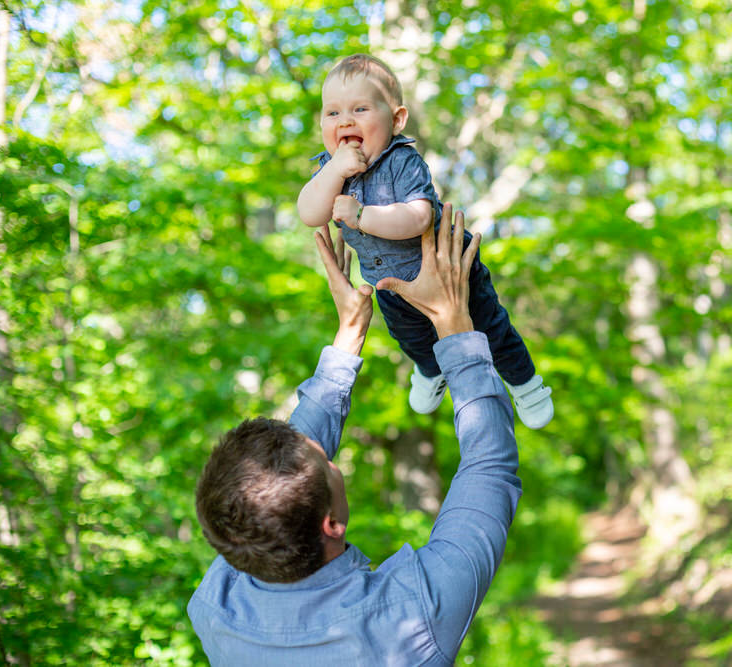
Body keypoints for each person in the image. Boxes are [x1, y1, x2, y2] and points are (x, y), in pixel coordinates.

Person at [188, 205, 523, 665]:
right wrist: (453, 323)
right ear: (331, 524)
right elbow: (490, 466)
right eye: (327, 464)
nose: (328, 456)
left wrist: (348, 336)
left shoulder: (217, 603)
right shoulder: (411, 618)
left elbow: (278, 481)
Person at [296, 53, 553, 429]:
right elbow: (309, 213)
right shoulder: (330, 170)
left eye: (361, 109)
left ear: (396, 119)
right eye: (332, 113)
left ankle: (526, 384)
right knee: (411, 337)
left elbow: (420, 216)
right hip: (392, 287)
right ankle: (431, 371)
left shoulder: (402, 161)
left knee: (490, 330)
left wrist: (362, 217)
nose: (345, 120)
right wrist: (335, 169)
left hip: (449, 271)